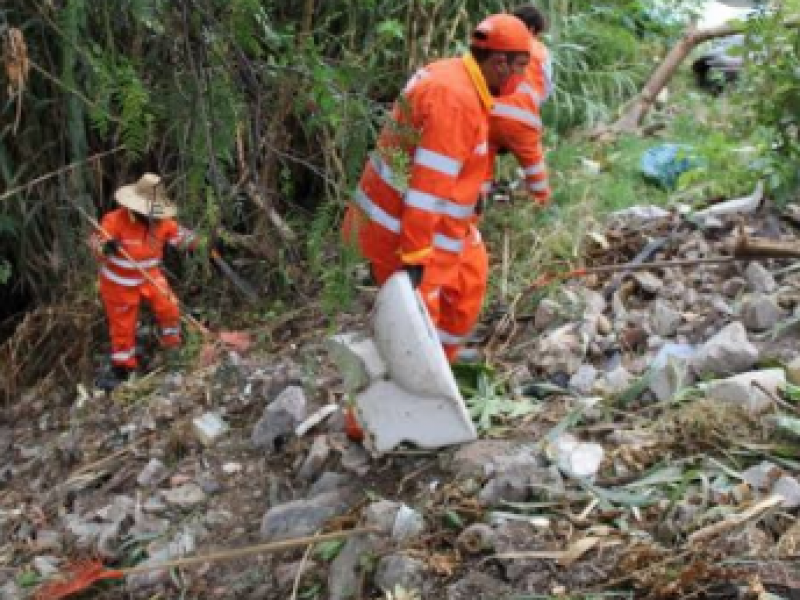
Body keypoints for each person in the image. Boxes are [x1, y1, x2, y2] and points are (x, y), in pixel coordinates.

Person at [343, 14, 531, 361]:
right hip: (405, 237)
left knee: (467, 287)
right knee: (407, 343)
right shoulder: (454, 100)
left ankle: (440, 369)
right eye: (520, 66)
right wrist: (415, 260)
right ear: (500, 63)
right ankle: (406, 397)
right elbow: (427, 189)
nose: (521, 78)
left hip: (443, 229)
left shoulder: (458, 79)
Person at [90, 173, 198, 390]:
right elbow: (96, 243)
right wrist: (106, 248)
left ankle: (173, 349)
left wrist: (201, 243)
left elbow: (182, 238)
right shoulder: (114, 220)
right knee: (123, 325)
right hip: (118, 283)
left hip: (150, 275)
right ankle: (124, 367)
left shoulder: (163, 222)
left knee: (169, 307)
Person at [485, 5, 553, 206]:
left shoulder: (495, 41)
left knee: (483, 158)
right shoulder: (539, 51)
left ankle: (481, 196)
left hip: (486, 113)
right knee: (533, 164)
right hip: (522, 119)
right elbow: (546, 89)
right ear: (532, 30)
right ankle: (541, 202)